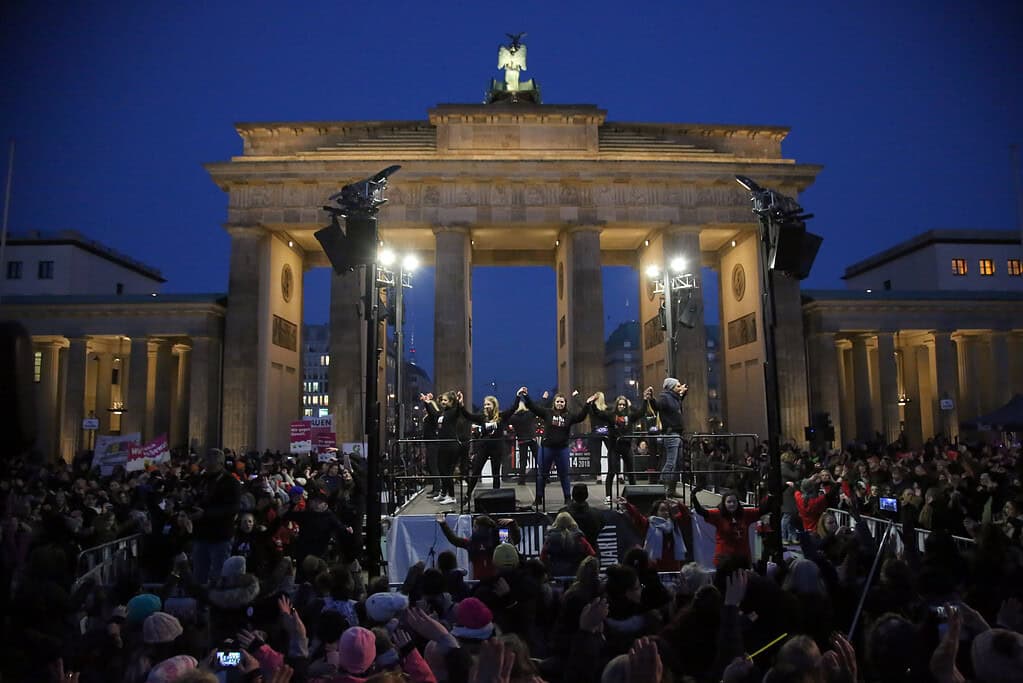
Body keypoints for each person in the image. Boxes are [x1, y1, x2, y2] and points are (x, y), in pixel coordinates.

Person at [519, 387, 588, 508]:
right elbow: (533, 408)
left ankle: (567, 498)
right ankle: (538, 498)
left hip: (562, 449)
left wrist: (587, 404)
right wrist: (526, 395)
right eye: (558, 401)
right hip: (547, 449)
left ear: (565, 403)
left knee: (564, 474)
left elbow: (581, 417)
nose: (560, 404)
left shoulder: (569, 416)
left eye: (562, 401)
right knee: (542, 475)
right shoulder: (547, 413)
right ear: (554, 403)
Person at [191, 448, 242, 584]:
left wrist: (205, 514)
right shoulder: (202, 480)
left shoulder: (231, 483)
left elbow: (232, 509)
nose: (205, 465)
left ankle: (217, 603)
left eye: (208, 462)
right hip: (201, 534)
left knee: (218, 576)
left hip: (220, 536)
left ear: (218, 463)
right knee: (199, 575)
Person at [459, 394, 520, 505]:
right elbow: (468, 416)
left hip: (497, 448)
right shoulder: (482, 417)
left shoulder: (501, 416)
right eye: (485, 404)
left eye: (488, 404)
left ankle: (496, 497)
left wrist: (517, 396)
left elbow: (513, 408)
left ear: (494, 405)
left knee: (495, 474)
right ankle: (467, 495)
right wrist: (461, 405)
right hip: (483, 448)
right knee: (476, 472)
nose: (486, 406)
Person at [587, 392, 648, 504]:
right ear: (616, 405)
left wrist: (645, 400)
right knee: (612, 472)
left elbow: (641, 412)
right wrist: (591, 403)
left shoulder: (630, 416)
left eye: (623, 405)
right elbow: (598, 413)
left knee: (631, 472)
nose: (621, 407)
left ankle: (634, 496)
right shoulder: (611, 415)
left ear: (626, 405)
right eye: (619, 405)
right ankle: (608, 497)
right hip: (614, 447)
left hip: (626, 446)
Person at [691, 487, 770, 567]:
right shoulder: (718, 515)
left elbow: (762, 510)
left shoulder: (745, 514)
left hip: (742, 559)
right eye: (729, 502)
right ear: (724, 503)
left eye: (734, 502)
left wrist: (770, 495)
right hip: (724, 559)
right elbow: (701, 512)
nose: (732, 504)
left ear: (738, 503)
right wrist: (693, 496)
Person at [619, 496, 692, 572]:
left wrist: (679, 505)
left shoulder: (675, 524)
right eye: (662, 510)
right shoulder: (649, 524)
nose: (666, 513)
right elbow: (637, 516)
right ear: (656, 512)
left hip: (674, 567)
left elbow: (686, 515)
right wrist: (627, 505)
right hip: (654, 567)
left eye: (668, 510)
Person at [646, 378, 688, 497]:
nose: (680, 388)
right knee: (670, 462)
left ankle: (671, 490)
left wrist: (683, 392)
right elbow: (657, 406)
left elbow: (679, 402)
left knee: (678, 463)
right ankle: (661, 489)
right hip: (670, 434)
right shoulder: (665, 397)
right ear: (671, 387)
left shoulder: (675, 397)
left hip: (678, 434)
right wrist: (652, 398)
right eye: (678, 386)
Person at [421, 391, 465, 506]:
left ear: (451, 401)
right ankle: (444, 493)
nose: (443, 402)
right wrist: (427, 403)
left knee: (447, 472)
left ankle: (451, 496)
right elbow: (433, 414)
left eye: (445, 400)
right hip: (443, 444)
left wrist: (460, 402)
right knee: (441, 469)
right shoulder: (443, 412)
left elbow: (459, 410)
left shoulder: (453, 411)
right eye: (442, 400)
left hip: (451, 445)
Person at [540, 511, 596, 578]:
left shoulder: (550, 538)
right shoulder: (579, 538)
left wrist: (549, 569)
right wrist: (583, 567)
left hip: (556, 573)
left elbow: (543, 557)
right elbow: (592, 554)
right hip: (576, 573)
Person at [508, 401, 540, 486]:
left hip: (522, 440)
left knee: (523, 461)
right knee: (538, 458)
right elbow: (538, 408)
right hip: (531, 438)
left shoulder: (513, 417)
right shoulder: (529, 414)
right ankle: (545, 477)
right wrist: (543, 399)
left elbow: (508, 424)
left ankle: (521, 480)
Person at [586, 392, 613, 484]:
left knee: (598, 456)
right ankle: (604, 475)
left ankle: (599, 477)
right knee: (606, 454)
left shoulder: (597, 409)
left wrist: (577, 396)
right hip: (603, 433)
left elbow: (583, 405)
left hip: (600, 434)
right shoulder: (605, 409)